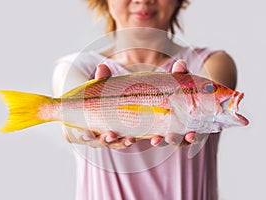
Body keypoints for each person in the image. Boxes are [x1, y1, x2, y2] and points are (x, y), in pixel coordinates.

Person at [52, 0, 237, 199]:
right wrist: (82, 132)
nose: (143, 0)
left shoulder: (212, 63)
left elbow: (211, 112)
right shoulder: (75, 67)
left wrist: (198, 126)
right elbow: (71, 126)